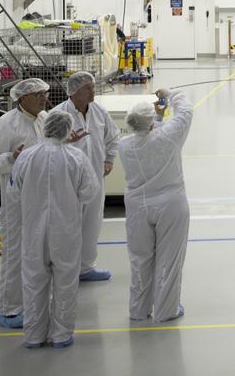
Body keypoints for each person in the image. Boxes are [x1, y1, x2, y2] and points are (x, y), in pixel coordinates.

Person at [13, 110, 98, 348]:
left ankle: (34, 335)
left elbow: (14, 189)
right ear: (67, 130)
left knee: (34, 280)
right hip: (65, 230)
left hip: (34, 230)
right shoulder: (76, 157)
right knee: (66, 280)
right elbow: (89, 192)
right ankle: (61, 335)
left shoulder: (27, 156)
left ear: (46, 127)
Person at [119, 87, 194, 323]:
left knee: (140, 259)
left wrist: (158, 118)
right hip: (170, 204)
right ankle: (166, 310)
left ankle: (138, 310)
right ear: (151, 122)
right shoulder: (168, 137)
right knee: (169, 259)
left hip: (138, 207)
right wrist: (170, 94)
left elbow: (147, 139)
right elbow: (185, 112)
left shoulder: (124, 145)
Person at [0, 77, 50, 328]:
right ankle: (10, 310)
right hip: (17, 200)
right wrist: (12, 157)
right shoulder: (7, 123)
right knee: (15, 254)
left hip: (43, 197)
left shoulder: (44, 119)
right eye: (38, 94)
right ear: (23, 98)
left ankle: (34, 303)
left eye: (45, 93)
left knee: (40, 253)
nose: (44, 98)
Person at [54, 72, 120, 282]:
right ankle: (64, 268)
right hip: (67, 180)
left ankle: (85, 267)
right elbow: (47, 145)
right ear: (74, 92)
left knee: (92, 223)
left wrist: (109, 159)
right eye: (88, 88)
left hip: (95, 177)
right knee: (67, 224)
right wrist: (65, 142)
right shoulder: (58, 115)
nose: (93, 91)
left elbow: (113, 136)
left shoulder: (99, 112)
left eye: (93, 87)